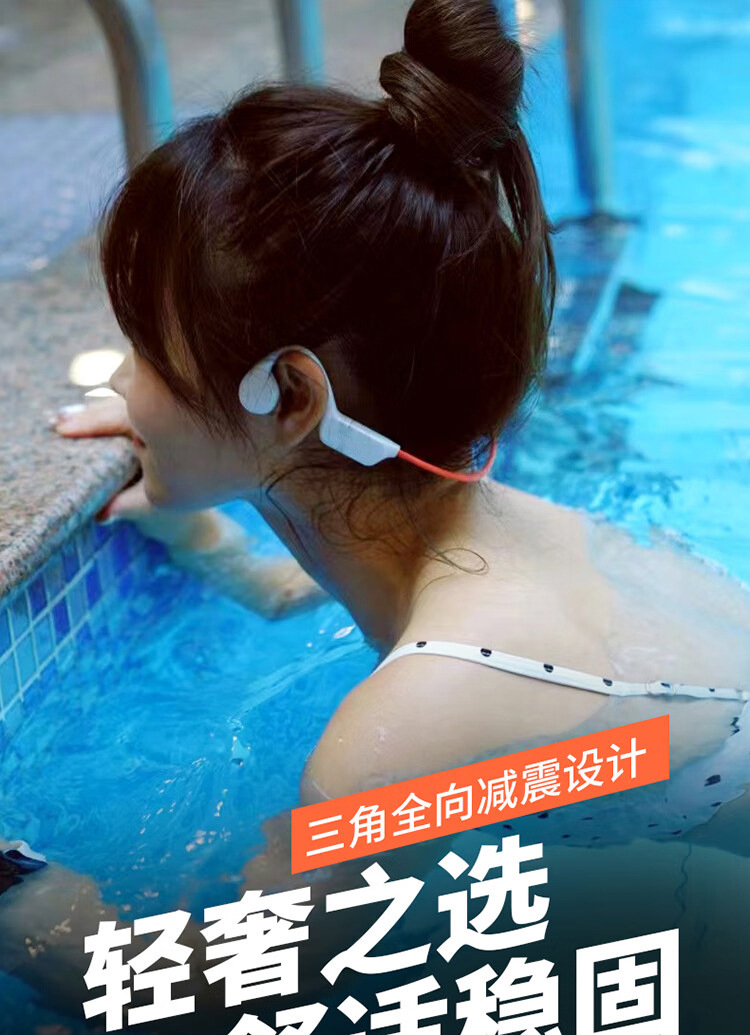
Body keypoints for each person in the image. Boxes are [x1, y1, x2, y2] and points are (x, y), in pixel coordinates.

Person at [4, 0, 750, 1027]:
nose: (125, 389)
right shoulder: (494, 539)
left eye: (147, 353)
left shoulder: (395, 740)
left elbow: (199, 998)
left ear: (291, 397)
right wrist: (192, 520)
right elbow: (306, 587)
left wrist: (20, 892)